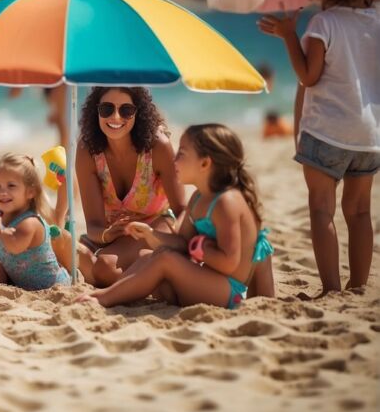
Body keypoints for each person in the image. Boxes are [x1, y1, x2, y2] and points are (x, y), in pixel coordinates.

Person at [258, 0, 379, 294]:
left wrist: (288, 35)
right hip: (369, 134)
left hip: (328, 130)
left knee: (322, 209)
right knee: (361, 211)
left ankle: (332, 289)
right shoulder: (375, 21)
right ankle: (359, 286)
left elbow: (308, 76)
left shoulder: (324, 23)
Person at [79, 124, 274, 309]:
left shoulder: (226, 203)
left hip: (229, 291)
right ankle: (113, 293)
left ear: (205, 163)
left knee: (165, 260)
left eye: (181, 153)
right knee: (147, 256)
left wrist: (199, 248)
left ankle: (104, 298)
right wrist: (151, 234)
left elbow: (229, 263)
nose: (174, 160)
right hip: (210, 281)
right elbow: (182, 242)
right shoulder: (198, 198)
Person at [71, 87, 186, 287]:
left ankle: (152, 263)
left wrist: (159, 237)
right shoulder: (87, 150)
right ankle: (149, 265)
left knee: (103, 267)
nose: (115, 117)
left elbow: (181, 210)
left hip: (156, 224)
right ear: (95, 111)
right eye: (106, 109)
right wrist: (109, 234)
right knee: (83, 259)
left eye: (126, 110)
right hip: (115, 232)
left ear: (138, 113)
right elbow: (94, 225)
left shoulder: (158, 146)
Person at [0, 153, 70, 290]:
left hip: (52, 286)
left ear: (30, 192)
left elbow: (14, 246)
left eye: (11, 186)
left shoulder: (30, 222)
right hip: (21, 283)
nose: (3, 192)